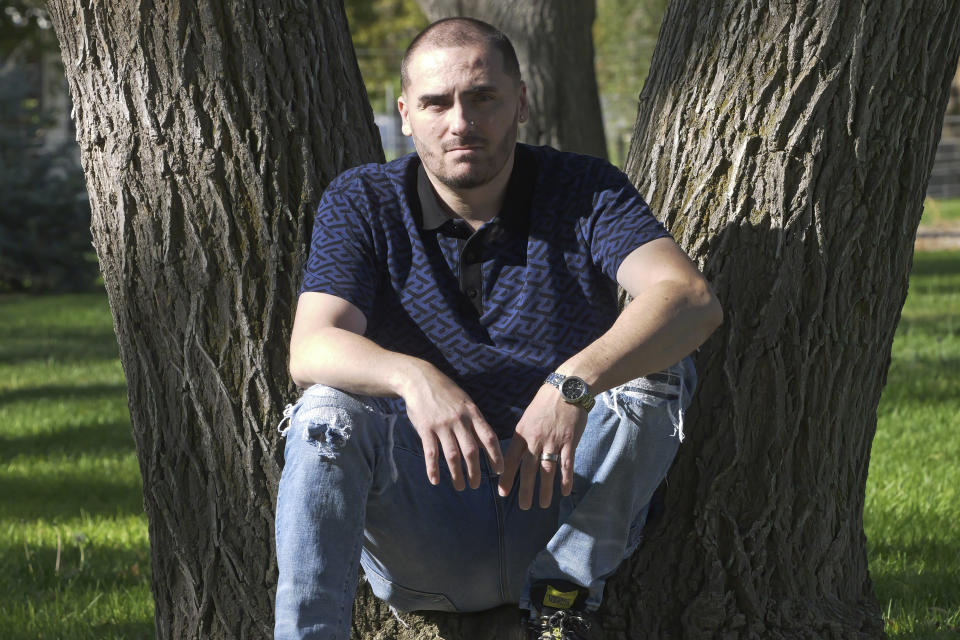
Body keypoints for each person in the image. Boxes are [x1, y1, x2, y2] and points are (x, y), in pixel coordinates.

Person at [274, 16, 722, 640]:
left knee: (660, 369)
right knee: (325, 411)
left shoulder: (584, 188)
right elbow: (312, 344)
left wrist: (573, 382)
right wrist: (415, 377)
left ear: (521, 103)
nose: (461, 122)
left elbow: (689, 298)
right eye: (437, 102)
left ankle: (558, 608)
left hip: (564, 509)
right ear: (406, 114)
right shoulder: (363, 200)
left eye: (483, 97)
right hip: (429, 521)